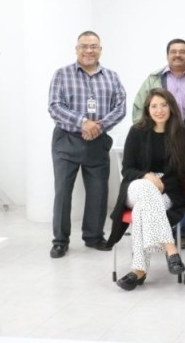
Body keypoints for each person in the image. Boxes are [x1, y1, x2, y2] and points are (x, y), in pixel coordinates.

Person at [48, 31, 126, 258]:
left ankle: (94, 236)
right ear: (76, 49)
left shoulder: (111, 77)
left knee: (98, 192)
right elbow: (54, 106)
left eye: (93, 46)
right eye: (84, 46)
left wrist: (97, 127)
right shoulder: (62, 74)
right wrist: (83, 122)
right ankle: (60, 241)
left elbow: (120, 108)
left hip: (98, 140)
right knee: (63, 192)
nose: (89, 50)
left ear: (100, 50)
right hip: (66, 140)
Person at [107, 89, 185, 291]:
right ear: (147, 109)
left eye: (163, 105)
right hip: (136, 184)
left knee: (142, 210)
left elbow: (180, 173)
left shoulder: (182, 134)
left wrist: (161, 183)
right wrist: (147, 177)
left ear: (171, 107)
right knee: (145, 189)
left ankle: (138, 270)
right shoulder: (137, 132)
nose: (159, 110)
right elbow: (127, 169)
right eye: (154, 106)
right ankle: (170, 248)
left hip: (167, 189)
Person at [132, 38, 185, 150]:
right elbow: (138, 110)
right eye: (173, 52)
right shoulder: (153, 80)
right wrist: (147, 137)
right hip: (159, 143)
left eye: (182, 52)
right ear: (167, 56)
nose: (177, 55)